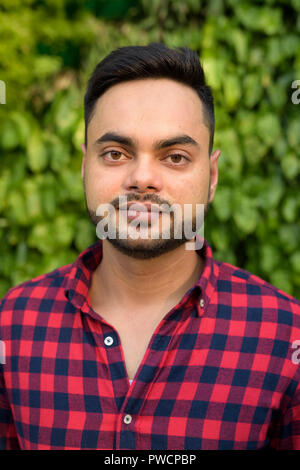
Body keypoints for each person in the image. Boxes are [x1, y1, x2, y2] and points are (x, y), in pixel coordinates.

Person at [1, 43, 300, 451]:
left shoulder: (285, 337)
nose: (142, 177)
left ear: (211, 176)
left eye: (175, 157)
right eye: (115, 153)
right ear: (84, 166)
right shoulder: (15, 325)